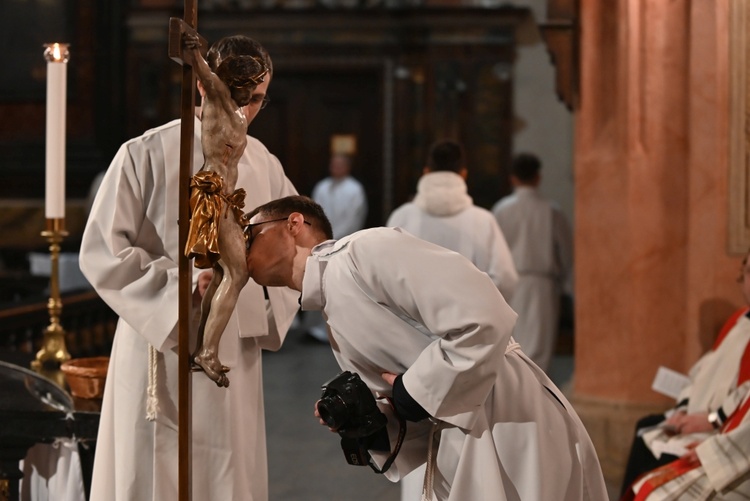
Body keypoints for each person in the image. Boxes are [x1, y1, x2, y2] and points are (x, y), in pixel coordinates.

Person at [244, 195, 608, 501]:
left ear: (294, 223)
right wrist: (369, 420)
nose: (242, 246)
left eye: (250, 233)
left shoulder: (362, 251)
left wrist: (411, 393)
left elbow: (483, 317)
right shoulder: (330, 307)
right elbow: (409, 409)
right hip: (457, 433)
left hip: (506, 414)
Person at [79, 35, 299, 501]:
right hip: (158, 344)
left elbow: (291, 255)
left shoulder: (265, 165)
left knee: (226, 470)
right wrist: (178, 290)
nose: (245, 112)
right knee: (152, 466)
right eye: (239, 98)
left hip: (231, 350)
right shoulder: (142, 153)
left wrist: (244, 292)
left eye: (257, 100)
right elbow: (102, 251)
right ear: (206, 87)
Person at [619, 250, 750, 494]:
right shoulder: (737, 320)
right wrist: (682, 410)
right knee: (645, 427)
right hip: (695, 415)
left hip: (717, 429)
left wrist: (709, 420)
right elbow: (701, 371)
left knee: (653, 457)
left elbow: (742, 400)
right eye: (749, 273)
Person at [181, 32, 269, 386]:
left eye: (256, 90)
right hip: (213, 197)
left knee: (228, 274)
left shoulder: (237, 112)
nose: (247, 95)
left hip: (226, 199)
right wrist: (195, 52)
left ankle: (206, 349)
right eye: (244, 86)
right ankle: (206, 351)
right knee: (236, 273)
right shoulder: (218, 98)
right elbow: (204, 74)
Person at [387, 139, 517, 301]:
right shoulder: (483, 220)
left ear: (426, 172)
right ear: (463, 174)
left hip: (411, 322)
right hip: (470, 320)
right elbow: (505, 279)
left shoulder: (402, 216)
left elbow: (386, 274)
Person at [492, 152, 574, 372]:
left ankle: (512, 400)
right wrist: (568, 287)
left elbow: (492, 251)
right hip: (542, 286)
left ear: (513, 178)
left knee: (510, 347)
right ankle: (536, 401)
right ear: (538, 177)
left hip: (508, 285)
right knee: (540, 349)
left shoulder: (501, 209)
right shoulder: (551, 210)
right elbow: (566, 253)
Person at [621, 381, 750, 500]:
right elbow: (742, 392)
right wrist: (685, 410)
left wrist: (709, 449)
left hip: (734, 466)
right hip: (724, 444)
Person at [311, 153, 367, 239]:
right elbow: (315, 213)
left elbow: (354, 218)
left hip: (347, 239)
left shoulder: (355, 189)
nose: (336, 167)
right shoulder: (322, 187)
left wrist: (336, 236)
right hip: (323, 238)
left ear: (348, 167)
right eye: (334, 164)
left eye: (340, 165)